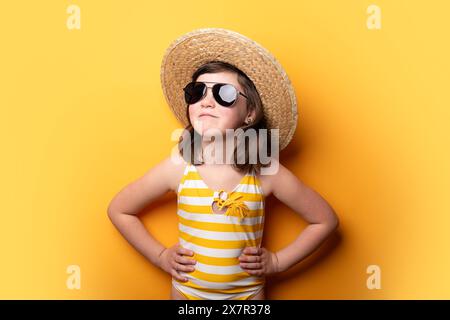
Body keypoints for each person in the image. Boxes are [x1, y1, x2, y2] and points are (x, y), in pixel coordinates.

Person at [107, 28, 339, 300]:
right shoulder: (179, 167)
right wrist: (160, 256)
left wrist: (277, 262)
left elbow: (325, 220)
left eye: (224, 94)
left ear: (250, 113)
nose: (206, 101)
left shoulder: (265, 171)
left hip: (247, 297)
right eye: (197, 92)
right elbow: (120, 210)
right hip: (187, 295)